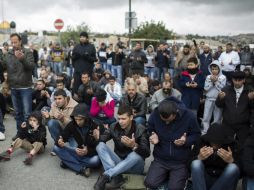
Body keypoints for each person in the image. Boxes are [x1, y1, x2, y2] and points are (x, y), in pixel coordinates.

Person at [145, 97, 200, 190]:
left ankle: (179, 178)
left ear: (176, 113)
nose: (166, 122)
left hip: (180, 161)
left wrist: (186, 141)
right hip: (160, 159)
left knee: (174, 188)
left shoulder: (189, 115)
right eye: (163, 120)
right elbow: (149, 128)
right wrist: (152, 135)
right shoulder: (156, 113)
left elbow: (197, 135)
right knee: (149, 183)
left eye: (169, 120)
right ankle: (167, 175)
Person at [93, 104, 150, 190]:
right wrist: (97, 138)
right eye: (119, 118)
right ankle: (115, 175)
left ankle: (107, 175)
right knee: (100, 145)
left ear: (131, 117)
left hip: (134, 167)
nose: (120, 121)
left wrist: (133, 145)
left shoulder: (141, 129)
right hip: (119, 162)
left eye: (123, 119)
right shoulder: (114, 126)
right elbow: (102, 140)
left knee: (135, 155)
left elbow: (147, 153)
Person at [2, 33, 35, 140]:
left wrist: (22, 59)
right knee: (18, 113)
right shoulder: (8, 54)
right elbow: (3, 66)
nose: (14, 44)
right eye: (12, 42)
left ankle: (29, 134)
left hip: (25, 87)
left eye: (15, 42)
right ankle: (20, 134)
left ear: (20, 41)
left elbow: (31, 66)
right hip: (14, 87)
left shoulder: (28, 52)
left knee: (27, 114)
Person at [53, 104, 101, 177]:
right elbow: (62, 135)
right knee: (56, 148)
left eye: (80, 119)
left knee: (96, 160)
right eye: (76, 119)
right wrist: (59, 140)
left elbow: (101, 148)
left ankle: (69, 162)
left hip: (89, 155)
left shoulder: (95, 126)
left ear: (86, 118)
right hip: (76, 152)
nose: (78, 122)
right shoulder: (72, 124)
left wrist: (87, 151)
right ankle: (81, 168)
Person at [191, 123, 240, 190]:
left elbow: (241, 171)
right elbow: (188, 164)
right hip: (205, 178)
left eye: (217, 143)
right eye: (212, 142)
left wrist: (232, 160)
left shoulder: (232, 144)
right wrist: (198, 157)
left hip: (223, 179)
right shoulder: (201, 141)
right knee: (196, 163)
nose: (214, 146)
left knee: (233, 167)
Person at [215, 70, 254, 150]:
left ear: (244, 80)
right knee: (226, 146)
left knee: (243, 147)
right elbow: (218, 105)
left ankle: (240, 162)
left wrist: (251, 100)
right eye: (235, 80)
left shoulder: (250, 90)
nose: (237, 82)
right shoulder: (226, 89)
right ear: (232, 80)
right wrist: (220, 99)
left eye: (239, 80)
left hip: (243, 125)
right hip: (228, 123)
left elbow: (252, 108)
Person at [202, 61, 226, 134]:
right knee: (206, 116)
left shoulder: (223, 77)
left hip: (218, 99)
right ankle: (205, 131)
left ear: (219, 69)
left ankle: (215, 132)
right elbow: (206, 88)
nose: (214, 71)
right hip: (209, 99)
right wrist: (212, 82)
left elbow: (222, 88)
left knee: (217, 117)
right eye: (212, 69)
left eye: (216, 69)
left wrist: (216, 82)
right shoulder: (208, 77)